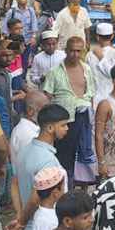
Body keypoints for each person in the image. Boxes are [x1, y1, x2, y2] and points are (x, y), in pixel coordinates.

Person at [42, 36, 95, 183]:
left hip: (83, 119)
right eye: (72, 51)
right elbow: (46, 97)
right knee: (64, 158)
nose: (75, 54)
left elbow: (91, 94)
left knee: (84, 156)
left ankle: (82, 185)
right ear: (66, 51)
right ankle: (63, 185)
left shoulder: (87, 69)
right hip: (63, 122)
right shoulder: (55, 72)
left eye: (78, 51)